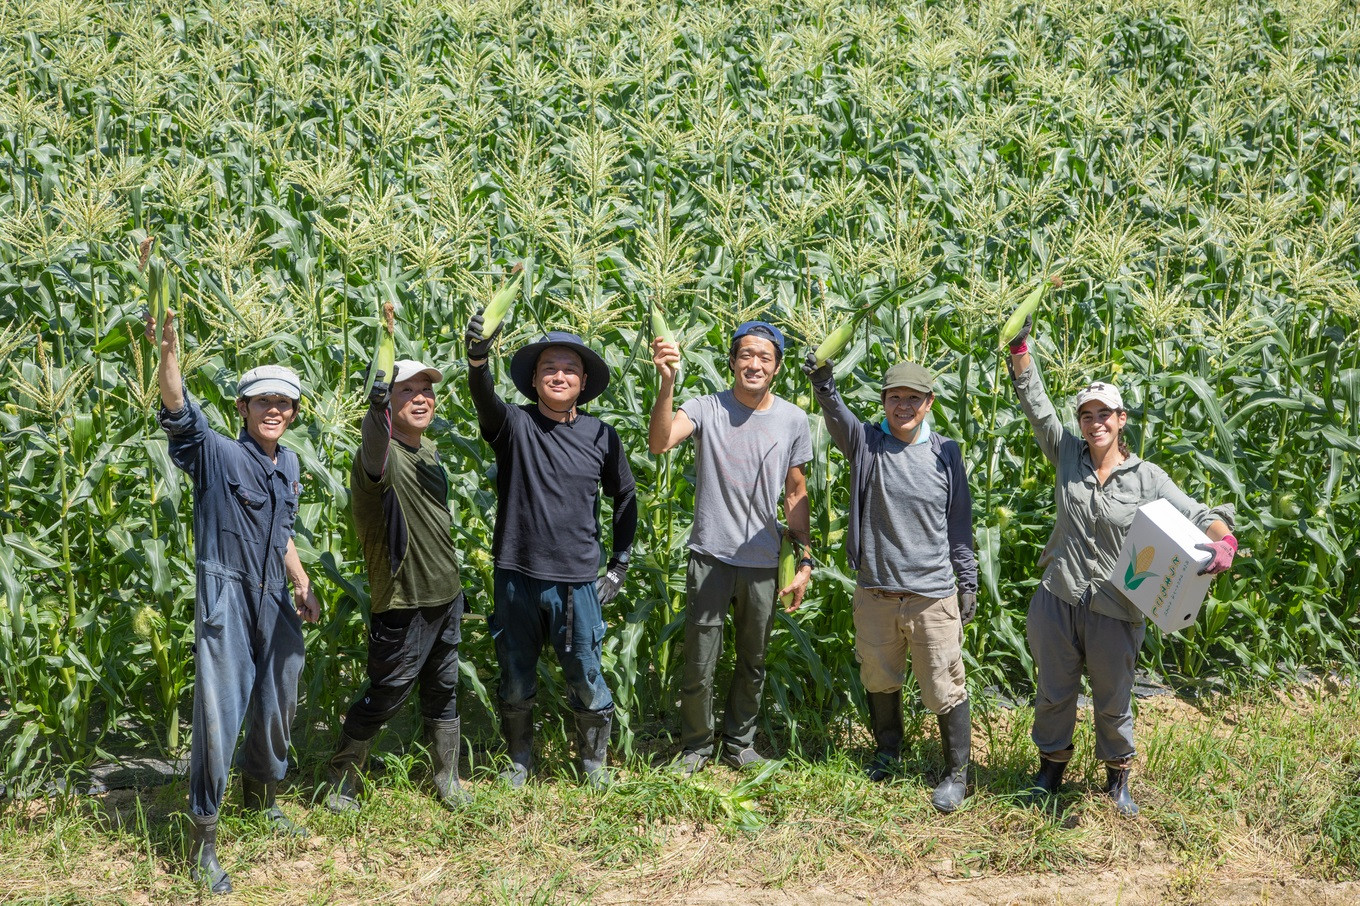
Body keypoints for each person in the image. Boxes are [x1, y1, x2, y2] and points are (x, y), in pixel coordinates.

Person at [1006, 316, 1239, 816]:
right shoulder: (1068, 454)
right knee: (1053, 691)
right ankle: (1051, 768)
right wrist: (1020, 348)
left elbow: (1198, 513)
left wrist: (1224, 541)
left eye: (1104, 414)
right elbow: (1037, 406)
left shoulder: (1146, 476)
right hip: (1059, 595)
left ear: (1122, 419)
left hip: (1116, 606)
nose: (1095, 424)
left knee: (1113, 698)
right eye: (1087, 415)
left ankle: (1117, 779)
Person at [149, 310, 320, 895]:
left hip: (275, 595)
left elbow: (283, 533)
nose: (275, 410)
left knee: (280, 701)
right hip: (226, 594)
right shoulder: (219, 454)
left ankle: (263, 797)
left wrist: (300, 581)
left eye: (285, 403)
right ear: (242, 409)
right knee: (218, 715)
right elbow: (178, 410)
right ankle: (204, 841)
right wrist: (168, 354)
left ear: (294, 413)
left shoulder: (289, 464)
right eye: (262, 401)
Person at [463, 314, 637, 788]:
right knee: (516, 676)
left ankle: (594, 763)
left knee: (584, 672)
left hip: (576, 579)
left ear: (582, 383)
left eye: (568, 369)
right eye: (548, 369)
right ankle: (520, 759)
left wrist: (619, 566)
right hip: (516, 574)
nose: (558, 376)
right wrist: (479, 359)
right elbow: (483, 396)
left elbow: (626, 497)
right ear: (535, 381)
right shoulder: (513, 425)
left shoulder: (601, 435)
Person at [803, 355, 978, 812]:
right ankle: (888, 752)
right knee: (879, 678)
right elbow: (839, 420)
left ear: (929, 403)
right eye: (895, 397)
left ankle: (957, 773)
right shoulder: (868, 444)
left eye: (913, 399)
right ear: (883, 402)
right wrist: (825, 384)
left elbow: (959, 524)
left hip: (932, 595)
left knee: (943, 687)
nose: (903, 405)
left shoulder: (947, 453)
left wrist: (969, 580)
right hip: (877, 590)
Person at [649, 321, 814, 774]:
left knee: (753, 659)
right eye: (746, 355)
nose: (754, 364)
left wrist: (804, 559)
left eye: (764, 357)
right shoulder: (705, 407)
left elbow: (796, 493)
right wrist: (667, 385)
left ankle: (739, 742)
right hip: (711, 556)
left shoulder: (793, 420)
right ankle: (696, 747)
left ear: (777, 367)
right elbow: (660, 442)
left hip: (763, 562)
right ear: (733, 362)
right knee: (700, 660)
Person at [324, 358, 470, 812]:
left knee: (443, 688)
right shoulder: (381, 458)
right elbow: (374, 442)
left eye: (426, 390)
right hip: (403, 600)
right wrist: (376, 411)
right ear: (389, 403)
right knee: (387, 691)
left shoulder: (426, 450)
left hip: (446, 595)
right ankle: (342, 779)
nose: (421, 398)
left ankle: (447, 778)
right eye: (407, 391)